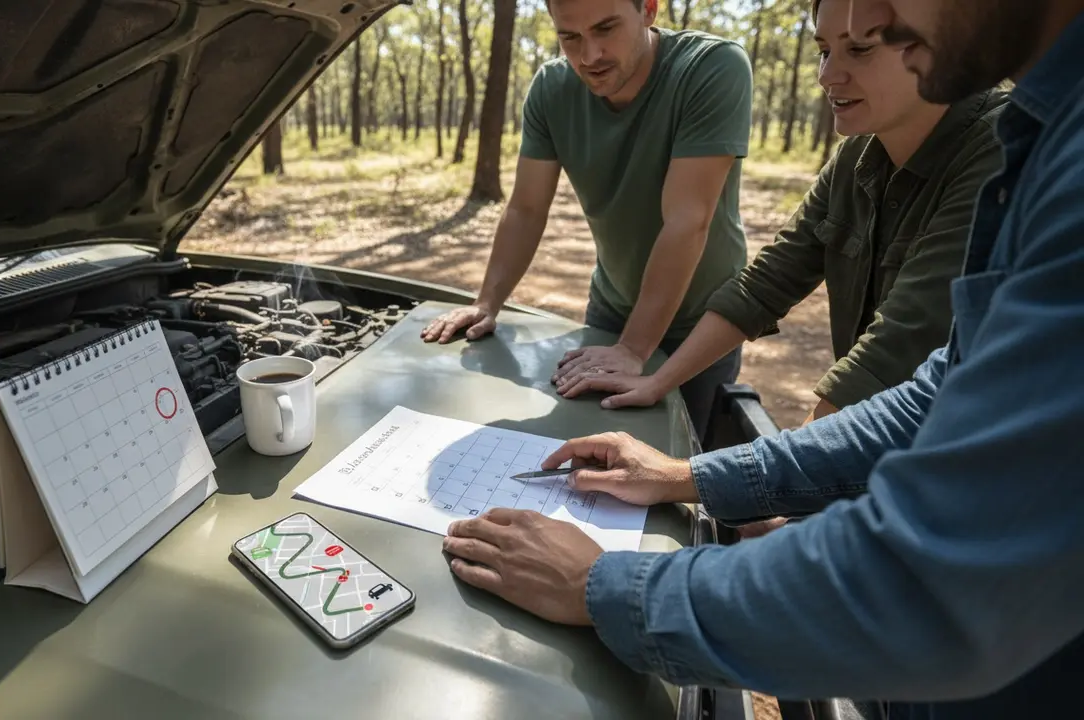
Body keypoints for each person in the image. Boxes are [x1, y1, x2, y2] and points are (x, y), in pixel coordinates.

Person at [441, 0, 1084, 717]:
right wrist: (694, 475)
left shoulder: (1047, 156)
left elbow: (932, 582)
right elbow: (933, 390)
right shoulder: (1038, 136)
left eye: (863, 43)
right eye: (823, 47)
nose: (834, 67)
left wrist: (608, 588)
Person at [559, 0, 1007, 430]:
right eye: (824, 51)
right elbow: (767, 283)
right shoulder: (860, 156)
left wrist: (759, 490)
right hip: (892, 449)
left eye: (860, 49)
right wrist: (656, 380)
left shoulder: (1003, 151)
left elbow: (894, 349)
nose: (828, 76)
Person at [419, 0, 753, 443]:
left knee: (687, 464)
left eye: (606, 29)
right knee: (594, 450)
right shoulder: (551, 89)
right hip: (612, 307)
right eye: (569, 37)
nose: (589, 56)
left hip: (704, 321)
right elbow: (526, 208)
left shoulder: (711, 67)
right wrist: (487, 302)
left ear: (648, 9)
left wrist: (635, 349)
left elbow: (687, 220)